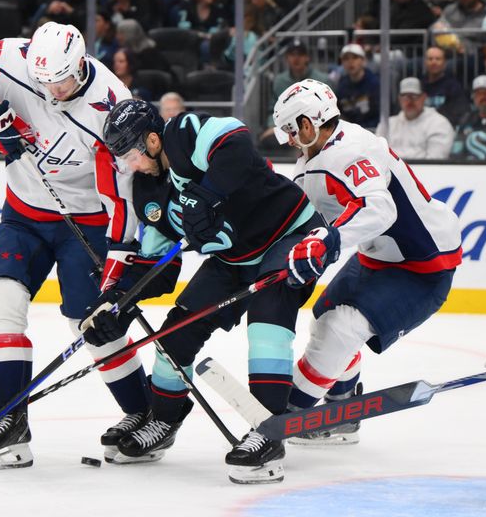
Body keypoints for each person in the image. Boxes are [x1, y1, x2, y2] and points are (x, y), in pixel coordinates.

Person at [0, 22, 151, 470]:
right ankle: (10, 425)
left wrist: (119, 259)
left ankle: (143, 413)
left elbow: (122, 191)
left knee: (89, 323)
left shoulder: (109, 105)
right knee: (0, 302)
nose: (52, 91)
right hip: (24, 212)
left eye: (62, 80)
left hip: (88, 220)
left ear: (80, 65)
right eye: (44, 82)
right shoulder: (13, 57)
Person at [84, 99, 325, 484]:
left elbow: (237, 143)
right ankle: (163, 421)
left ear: (151, 140)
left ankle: (269, 431)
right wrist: (120, 303)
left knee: (267, 320)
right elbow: (159, 267)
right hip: (233, 259)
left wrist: (206, 193)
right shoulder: (147, 192)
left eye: (130, 154)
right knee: (175, 333)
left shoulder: (181, 134)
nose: (129, 165)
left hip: (289, 234)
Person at [272, 78, 462, 445]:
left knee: (341, 329)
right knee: (325, 319)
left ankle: (292, 415)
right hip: (379, 258)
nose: (290, 140)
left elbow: (379, 208)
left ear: (308, 124)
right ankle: (342, 409)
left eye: (290, 131)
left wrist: (328, 239)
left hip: (421, 267)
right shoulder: (322, 153)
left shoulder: (348, 152)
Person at [260, 38, 334, 147]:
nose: (296, 58)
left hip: (317, 127)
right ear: (287, 58)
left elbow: (330, 107)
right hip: (288, 128)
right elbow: (273, 110)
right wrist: (273, 127)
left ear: (307, 57)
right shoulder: (279, 81)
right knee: (267, 140)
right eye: (292, 54)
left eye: (300, 54)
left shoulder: (322, 80)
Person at [376, 77, 455, 159]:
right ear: (399, 99)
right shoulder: (388, 124)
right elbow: (378, 157)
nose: (409, 101)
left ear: (424, 97)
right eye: (405, 96)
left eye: (414, 96)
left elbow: (435, 161)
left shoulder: (439, 124)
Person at [421, 45, 471, 126]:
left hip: (444, 127)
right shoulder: (420, 86)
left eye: (438, 59)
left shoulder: (454, 86)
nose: (434, 62)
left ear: (444, 63)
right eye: (430, 59)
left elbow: (459, 113)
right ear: (425, 62)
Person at [335, 44, 380, 129]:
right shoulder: (342, 85)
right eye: (346, 59)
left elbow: (380, 115)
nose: (350, 62)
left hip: (372, 131)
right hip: (349, 133)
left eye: (355, 57)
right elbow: (339, 112)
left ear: (363, 61)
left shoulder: (374, 83)